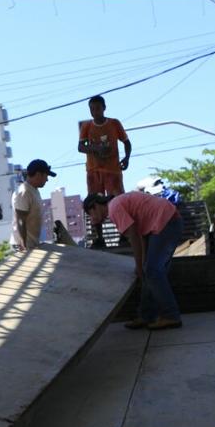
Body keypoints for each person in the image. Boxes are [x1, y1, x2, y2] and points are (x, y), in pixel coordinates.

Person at [84, 192, 184, 330]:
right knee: (148, 271)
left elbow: (134, 238)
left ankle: (171, 316)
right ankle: (146, 315)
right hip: (166, 222)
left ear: (94, 206)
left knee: (152, 271)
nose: (93, 219)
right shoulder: (117, 204)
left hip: (166, 222)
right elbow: (140, 235)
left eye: (91, 214)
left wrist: (138, 265)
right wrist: (142, 263)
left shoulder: (113, 208)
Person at [79, 95, 132, 248]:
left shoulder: (114, 123)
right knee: (94, 202)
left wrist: (127, 158)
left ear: (104, 108)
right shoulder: (87, 127)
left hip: (112, 170)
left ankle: (123, 235)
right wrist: (96, 148)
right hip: (93, 170)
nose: (95, 111)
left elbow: (126, 142)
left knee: (117, 200)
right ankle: (99, 237)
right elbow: (81, 147)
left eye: (97, 108)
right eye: (92, 109)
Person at [11, 159, 56, 251]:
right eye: (46, 176)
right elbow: (20, 220)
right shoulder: (24, 192)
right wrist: (24, 246)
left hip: (31, 244)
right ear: (38, 174)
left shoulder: (33, 190)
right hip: (23, 246)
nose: (47, 180)